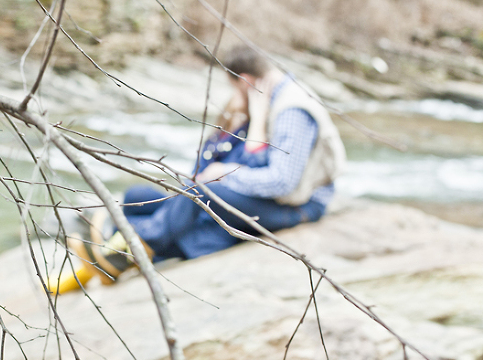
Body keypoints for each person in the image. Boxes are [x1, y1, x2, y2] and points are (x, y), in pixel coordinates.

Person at [48, 47, 346, 293]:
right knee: (155, 198)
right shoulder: (273, 102)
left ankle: (123, 249)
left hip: (300, 206)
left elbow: (283, 183)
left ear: (244, 81)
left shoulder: (290, 109)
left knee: (199, 195)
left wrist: (225, 175)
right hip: (273, 198)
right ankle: (115, 247)